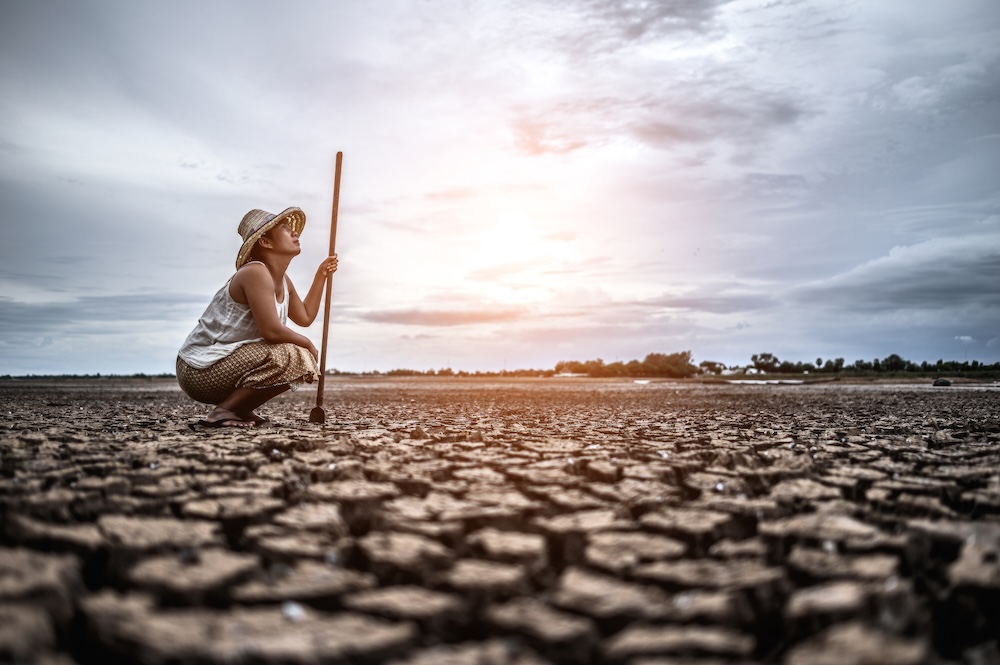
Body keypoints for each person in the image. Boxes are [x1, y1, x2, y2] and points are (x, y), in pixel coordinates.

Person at [176, 207, 338, 427]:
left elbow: (305, 317)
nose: (294, 233)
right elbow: (271, 331)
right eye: (285, 229)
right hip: (198, 370)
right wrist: (308, 344)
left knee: (299, 357)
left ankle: (240, 409)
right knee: (295, 355)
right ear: (265, 242)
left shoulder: (283, 280)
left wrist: (321, 275)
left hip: (225, 363)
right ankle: (223, 411)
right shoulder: (255, 272)